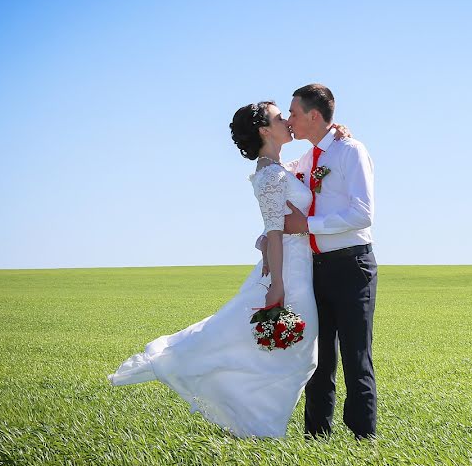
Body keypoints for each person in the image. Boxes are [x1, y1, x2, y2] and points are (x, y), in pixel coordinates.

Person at [106, 101, 320, 438]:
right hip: (289, 270)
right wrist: (277, 284)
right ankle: (256, 424)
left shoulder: (279, 168)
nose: (288, 121)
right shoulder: (270, 174)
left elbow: (278, 224)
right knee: (297, 353)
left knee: (293, 352)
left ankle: (256, 424)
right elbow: (277, 231)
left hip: (298, 264)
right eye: (281, 117)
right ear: (265, 129)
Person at [282, 84, 378, 440]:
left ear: (313, 116)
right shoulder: (306, 160)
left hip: (353, 267)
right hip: (315, 268)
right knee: (319, 359)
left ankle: (362, 439)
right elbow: (274, 170)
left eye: (293, 113)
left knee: (356, 356)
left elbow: (363, 213)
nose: (290, 120)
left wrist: (307, 225)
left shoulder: (350, 151)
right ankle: (316, 436)